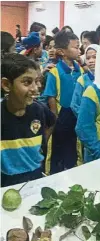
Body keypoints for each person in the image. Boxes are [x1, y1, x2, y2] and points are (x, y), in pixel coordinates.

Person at [1, 53, 55, 187]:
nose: (35, 88)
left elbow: (51, 122)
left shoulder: (39, 110)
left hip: (36, 177)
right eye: (27, 82)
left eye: (36, 81)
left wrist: (42, 142)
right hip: (6, 182)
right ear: (6, 84)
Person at [43, 30, 83, 175]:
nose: (79, 50)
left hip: (76, 115)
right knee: (57, 149)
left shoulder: (81, 71)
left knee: (73, 146)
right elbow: (51, 96)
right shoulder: (55, 71)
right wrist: (55, 116)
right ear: (62, 51)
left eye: (79, 47)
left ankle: (72, 170)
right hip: (61, 117)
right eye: (75, 47)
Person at [71, 44, 98, 117]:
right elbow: (75, 105)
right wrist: (86, 118)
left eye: (95, 57)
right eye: (88, 58)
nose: (91, 61)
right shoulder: (82, 80)